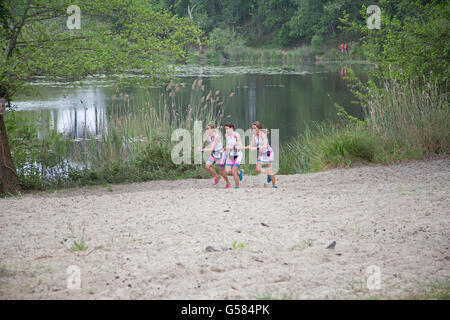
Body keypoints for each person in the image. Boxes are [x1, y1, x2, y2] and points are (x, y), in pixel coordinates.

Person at [244, 121, 277, 188]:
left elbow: (265, 146)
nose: (253, 130)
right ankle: (268, 173)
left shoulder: (263, 134)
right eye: (252, 128)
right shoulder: (254, 135)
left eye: (255, 128)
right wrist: (242, 147)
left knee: (270, 170)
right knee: (258, 169)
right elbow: (251, 145)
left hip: (268, 153)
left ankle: (274, 185)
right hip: (262, 154)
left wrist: (256, 148)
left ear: (258, 128)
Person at [199, 123, 231, 188]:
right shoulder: (209, 136)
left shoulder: (216, 136)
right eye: (206, 129)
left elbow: (211, 148)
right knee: (207, 166)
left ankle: (228, 183)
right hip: (214, 154)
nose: (207, 130)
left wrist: (202, 149)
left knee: (221, 170)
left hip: (221, 154)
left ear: (213, 129)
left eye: (208, 129)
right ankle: (217, 176)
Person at [223, 122, 244, 189]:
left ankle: (237, 186)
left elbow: (241, 146)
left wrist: (236, 147)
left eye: (227, 129)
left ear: (231, 128)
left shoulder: (236, 135)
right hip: (231, 155)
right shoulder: (226, 135)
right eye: (225, 129)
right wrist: (226, 149)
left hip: (238, 155)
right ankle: (239, 172)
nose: (226, 130)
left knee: (233, 171)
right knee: (227, 171)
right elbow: (227, 144)